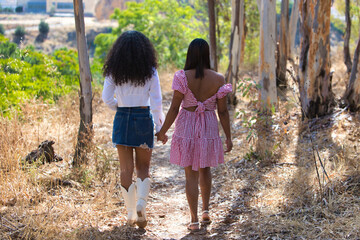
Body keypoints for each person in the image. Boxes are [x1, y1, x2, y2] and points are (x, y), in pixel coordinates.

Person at [156, 38, 233, 231]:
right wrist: (228, 137)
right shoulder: (218, 79)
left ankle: (194, 219)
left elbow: (174, 107)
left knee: (190, 173)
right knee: (206, 169)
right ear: (207, 55)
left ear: (189, 54)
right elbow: (223, 111)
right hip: (208, 124)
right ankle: (206, 210)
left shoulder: (182, 77)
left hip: (187, 124)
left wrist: (163, 131)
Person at [102, 31, 165, 228]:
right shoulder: (150, 71)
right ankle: (141, 205)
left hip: (122, 118)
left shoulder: (114, 71)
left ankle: (130, 214)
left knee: (125, 169)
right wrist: (160, 127)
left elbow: (106, 98)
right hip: (143, 118)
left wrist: (118, 107)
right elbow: (157, 103)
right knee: (143, 168)